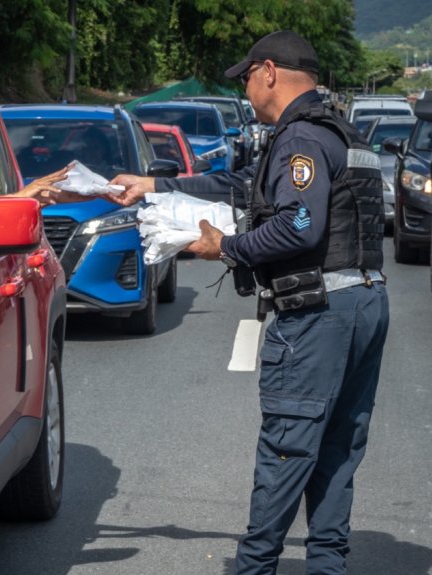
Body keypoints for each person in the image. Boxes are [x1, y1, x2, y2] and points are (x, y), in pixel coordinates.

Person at [114, 30, 390, 574]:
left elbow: (300, 225)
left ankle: (253, 567)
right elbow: (247, 187)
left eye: (246, 76)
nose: (245, 88)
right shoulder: (341, 131)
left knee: (286, 450)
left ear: (269, 71)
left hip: (317, 316)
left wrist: (228, 247)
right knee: (335, 455)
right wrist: (155, 184)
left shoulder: (299, 138)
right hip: (365, 303)